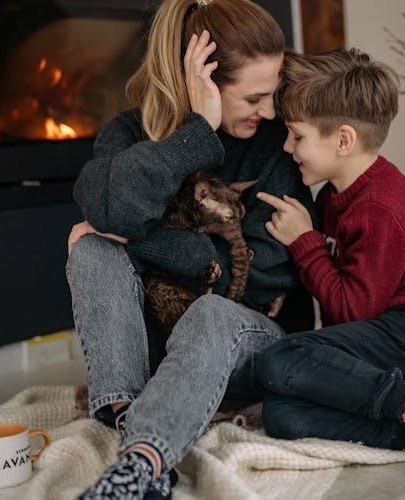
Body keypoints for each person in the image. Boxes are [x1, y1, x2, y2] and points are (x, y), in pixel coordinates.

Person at [65, 1, 315, 498]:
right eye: (253, 99)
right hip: (165, 365)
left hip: (250, 344)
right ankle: (131, 429)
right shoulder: (129, 133)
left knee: (212, 312)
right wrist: (197, 134)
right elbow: (109, 210)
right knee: (93, 250)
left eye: (272, 95)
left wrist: (144, 240)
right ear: (199, 85)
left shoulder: (274, 145)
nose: (269, 112)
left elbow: (253, 274)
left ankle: (143, 456)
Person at [254, 48, 405, 486]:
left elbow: (352, 313)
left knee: (281, 358)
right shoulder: (335, 195)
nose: (286, 147)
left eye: (296, 136)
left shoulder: (380, 207)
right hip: (399, 343)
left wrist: (304, 242)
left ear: (343, 140)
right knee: (282, 413)